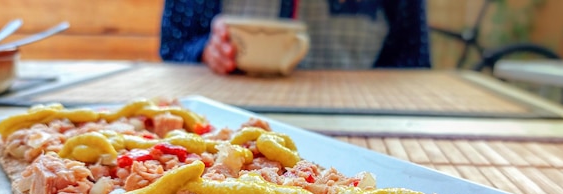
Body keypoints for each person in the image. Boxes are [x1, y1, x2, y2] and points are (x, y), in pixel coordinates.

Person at [160, 0, 431, 74]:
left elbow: (412, 59)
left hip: (361, 117)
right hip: (234, 111)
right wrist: (206, 51)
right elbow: (174, 46)